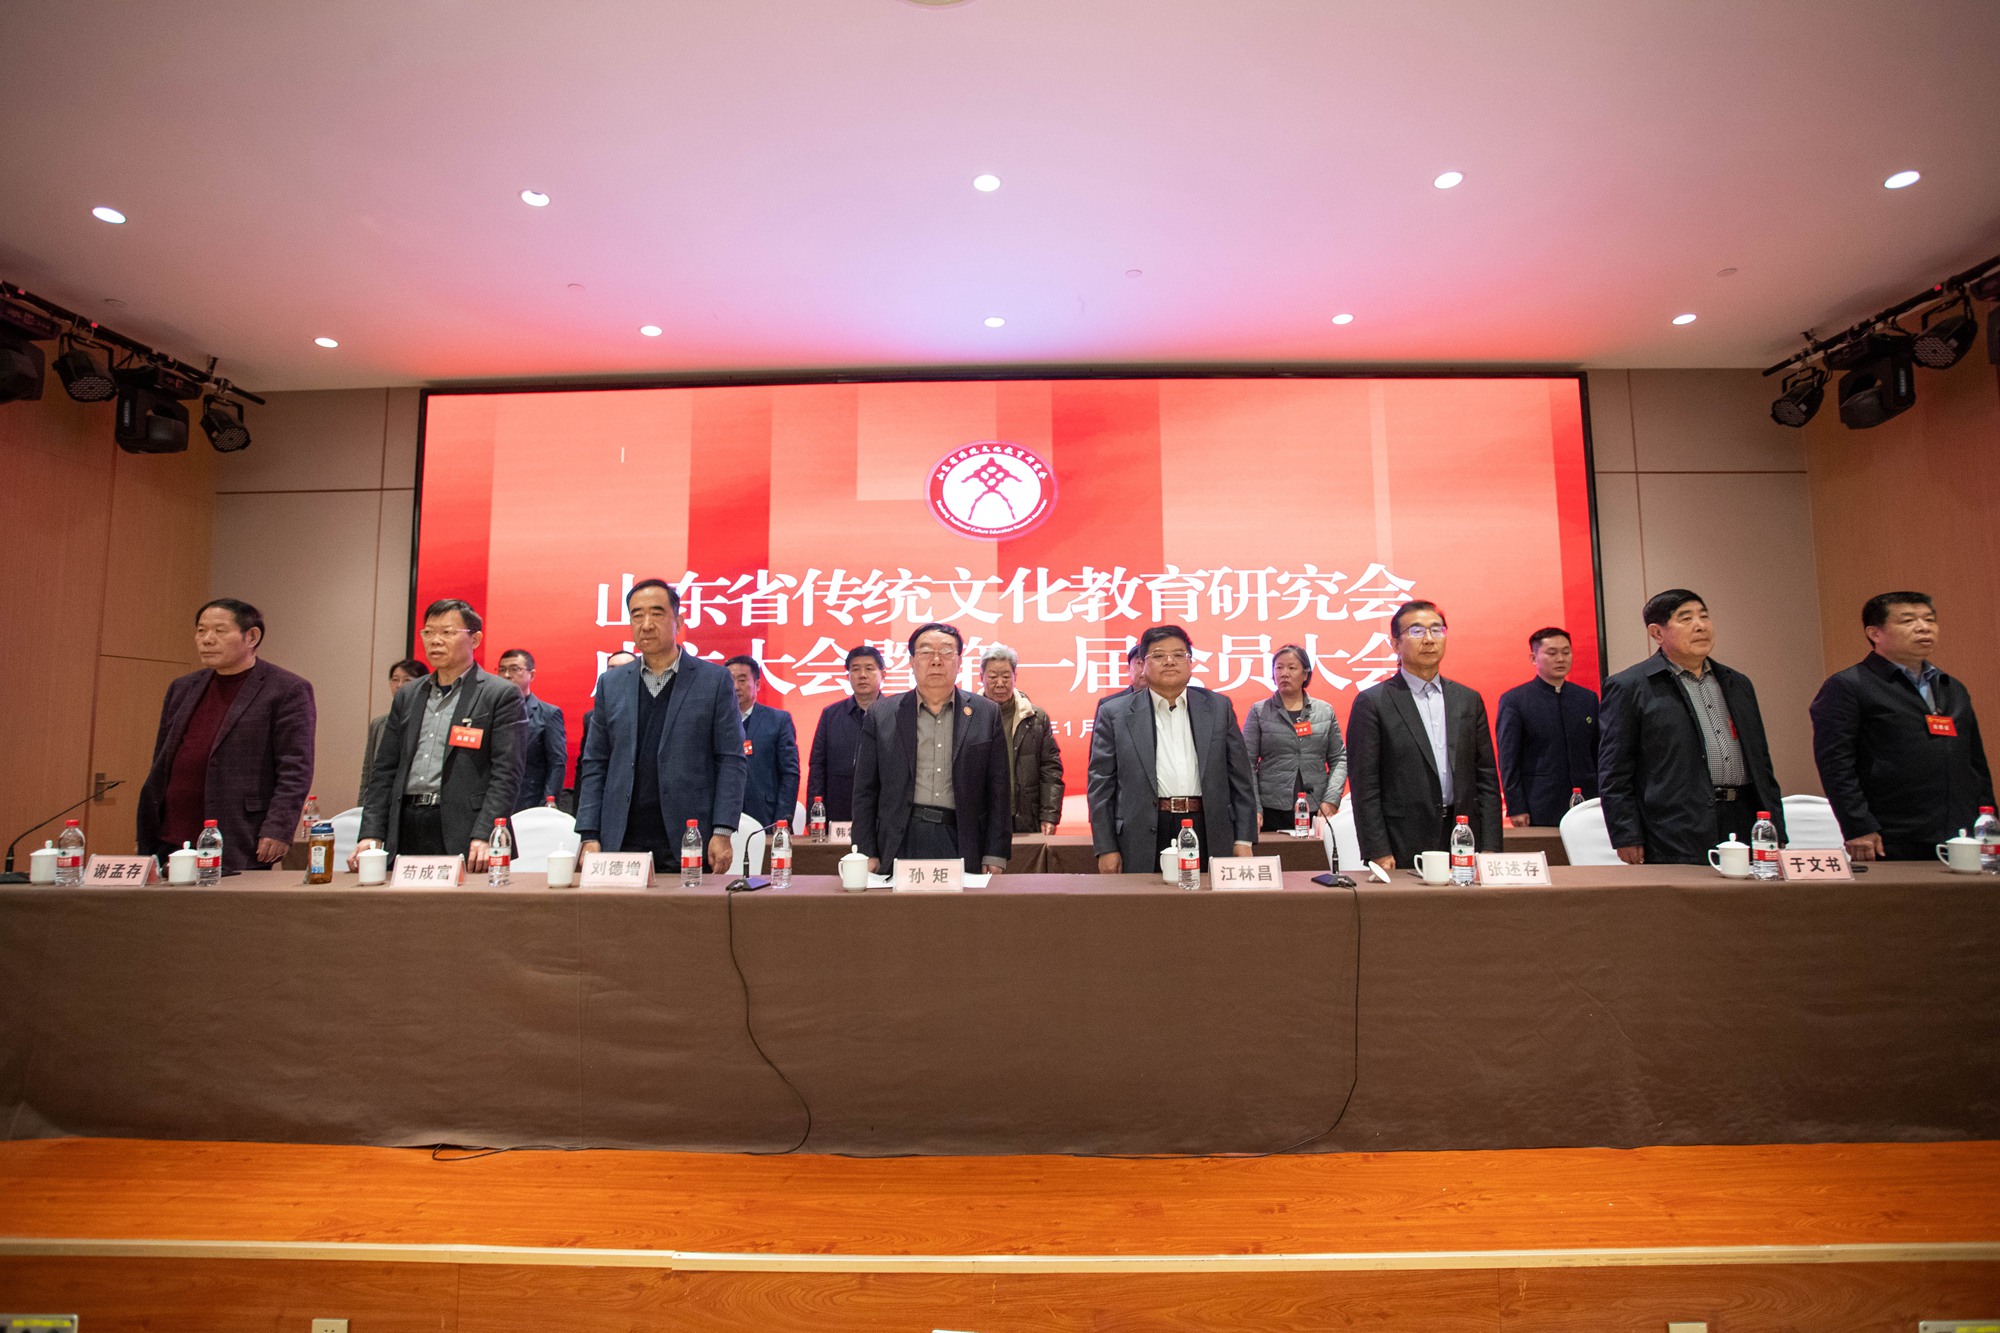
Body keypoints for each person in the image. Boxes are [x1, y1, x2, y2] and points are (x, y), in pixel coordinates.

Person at [1599, 589, 1785, 865]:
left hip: (1743, 818)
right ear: (1657, 633)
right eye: (1685, 618)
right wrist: (1626, 834)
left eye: (1704, 616)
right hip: (1674, 827)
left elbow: (1761, 762)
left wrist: (1776, 827)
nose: (1700, 626)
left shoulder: (1737, 683)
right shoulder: (1630, 686)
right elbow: (1615, 771)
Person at [1810, 591, 1993, 861]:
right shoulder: (1848, 686)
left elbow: (1975, 763)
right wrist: (1858, 826)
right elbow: (1835, 764)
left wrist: (1989, 821)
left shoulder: (1951, 687)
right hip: (1891, 835)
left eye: (1929, 619)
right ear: (1875, 633)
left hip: (1961, 834)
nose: (1923, 627)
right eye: (1908, 621)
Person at [575, 581, 743, 874]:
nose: (646, 625)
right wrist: (589, 834)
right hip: (621, 838)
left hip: (690, 837)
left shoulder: (713, 681)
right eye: (637, 615)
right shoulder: (611, 684)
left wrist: (722, 830)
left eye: (657, 613)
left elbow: (731, 760)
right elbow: (595, 763)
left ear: (678, 621)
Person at [137, 599, 316, 873]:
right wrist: (149, 827)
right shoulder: (182, 688)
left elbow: (295, 768)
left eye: (219, 631)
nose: (207, 639)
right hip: (171, 835)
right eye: (201, 631)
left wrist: (278, 827)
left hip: (238, 834)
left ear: (252, 637)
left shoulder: (286, 689)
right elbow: (161, 761)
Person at [353, 598, 524, 871]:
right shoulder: (409, 695)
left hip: (465, 829)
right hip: (405, 825)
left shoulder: (499, 694)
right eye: (428, 632)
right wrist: (371, 832)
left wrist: (486, 833)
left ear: (475, 639)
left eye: (447, 632)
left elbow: (507, 774)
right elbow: (384, 770)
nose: (435, 641)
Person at [1346, 601, 1502, 870]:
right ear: (1395, 644)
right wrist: (1378, 850)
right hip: (1402, 840)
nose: (1429, 639)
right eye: (1417, 631)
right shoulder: (1373, 702)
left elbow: (1486, 776)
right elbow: (1364, 786)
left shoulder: (1468, 699)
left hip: (1463, 834)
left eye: (1437, 630)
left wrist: (1491, 844)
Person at [1087, 624, 1257, 872]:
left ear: (1190, 663)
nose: (1169, 661)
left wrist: (1244, 839)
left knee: (1208, 897)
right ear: (1143, 665)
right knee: (1147, 897)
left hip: (1208, 828)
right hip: (1142, 833)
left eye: (1179, 654)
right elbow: (1101, 786)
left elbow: (1240, 778)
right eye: (1158, 655)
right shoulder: (1115, 714)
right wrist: (1106, 847)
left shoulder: (1218, 708)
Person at [852, 622, 1011, 874]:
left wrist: (995, 852)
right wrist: (865, 850)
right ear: (912, 662)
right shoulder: (882, 714)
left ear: (959, 662)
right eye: (926, 652)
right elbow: (865, 790)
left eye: (946, 651)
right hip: (900, 837)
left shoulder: (985, 713)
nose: (936, 661)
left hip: (962, 837)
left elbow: (998, 789)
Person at [1495, 627, 1599, 827]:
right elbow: (1508, 760)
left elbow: (1598, 752)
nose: (1560, 659)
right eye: (1552, 653)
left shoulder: (1587, 698)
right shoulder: (1515, 700)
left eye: (1566, 652)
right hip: (1540, 802)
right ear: (1534, 658)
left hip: (1588, 801)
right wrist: (1516, 806)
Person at [1242, 643, 1346, 831]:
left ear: (1305, 674)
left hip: (1316, 807)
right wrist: (1254, 806)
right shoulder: (1259, 711)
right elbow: (1246, 762)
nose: (1284, 674)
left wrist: (1331, 799)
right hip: (1271, 809)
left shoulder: (1324, 710)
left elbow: (1339, 758)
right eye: (1279, 668)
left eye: (1291, 668)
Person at [980, 644, 1064, 834]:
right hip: (981, 816)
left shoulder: (1035, 717)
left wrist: (1049, 815)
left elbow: (1050, 769)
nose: (1000, 683)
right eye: (992, 677)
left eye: (1006, 676)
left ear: (1015, 677)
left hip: (1025, 815)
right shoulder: (968, 715)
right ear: (981, 677)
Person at [806, 645, 883, 823]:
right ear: (847, 676)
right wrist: (814, 815)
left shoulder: (896, 713)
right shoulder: (830, 715)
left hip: (884, 810)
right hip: (839, 809)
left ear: (883, 674)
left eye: (869, 668)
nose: (862, 675)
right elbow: (818, 766)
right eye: (855, 669)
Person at [727, 655, 801, 831]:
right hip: (723, 816)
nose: (735, 686)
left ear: (757, 684)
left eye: (742, 680)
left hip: (766, 815)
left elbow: (789, 773)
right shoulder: (714, 721)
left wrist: (782, 820)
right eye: (730, 681)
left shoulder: (778, 720)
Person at [497, 648, 566, 809]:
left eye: (514, 669)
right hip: (494, 801)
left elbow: (557, 763)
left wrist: (548, 803)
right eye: (502, 670)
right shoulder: (489, 711)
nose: (507, 675)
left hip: (530, 802)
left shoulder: (548, 714)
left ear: (532, 675)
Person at [572, 650, 636, 803]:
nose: (618, 674)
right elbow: (587, 767)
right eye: (612, 668)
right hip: (608, 797)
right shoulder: (592, 718)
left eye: (625, 668)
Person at [361, 659, 427, 796]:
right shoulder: (379, 724)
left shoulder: (428, 722)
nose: (399, 685)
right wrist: (362, 803)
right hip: (382, 797)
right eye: (395, 680)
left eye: (407, 680)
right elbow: (368, 771)